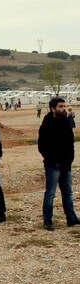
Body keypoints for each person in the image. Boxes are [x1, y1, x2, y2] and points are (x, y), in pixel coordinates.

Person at [38, 98, 80, 231]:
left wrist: (69, 159)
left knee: (67, 192)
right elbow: (42, 146)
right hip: (53, 165)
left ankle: (71, 218)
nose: (63, 109)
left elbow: (71, 143)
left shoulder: (66, 122)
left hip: (66, 164)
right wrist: (52, 160)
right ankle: (48, 221)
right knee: (50, 193)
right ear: (53, 109)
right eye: (60, 106)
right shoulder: (46, 124)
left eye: (64, 106)